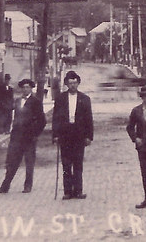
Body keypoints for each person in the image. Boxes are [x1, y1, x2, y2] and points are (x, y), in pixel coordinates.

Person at [0, 78, 46, 194]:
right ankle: (5, 186)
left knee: (29, 162)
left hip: (29, 137)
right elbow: (14, 117)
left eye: (28, 87)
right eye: (23, 87)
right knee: (12, 162)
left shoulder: (36, 102)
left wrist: (35, 134)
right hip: (17, 137)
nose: (25, 89)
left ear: (31, 88)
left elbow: (42, 121)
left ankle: (27, 186)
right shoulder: (17, 101)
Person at [52, 70, 93, 200]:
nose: (73, 85)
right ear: (66, 84)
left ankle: (78, 190)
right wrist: (55, 135)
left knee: (78, 164)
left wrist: (89, 136)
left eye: (75, 83)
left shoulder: (85, 99)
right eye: (70, 83)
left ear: (78, 83)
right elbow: (55, 118)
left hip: (79, 135)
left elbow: (89, 119)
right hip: (65, 135)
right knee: (66, 164)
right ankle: (68, 191)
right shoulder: (60, 99)